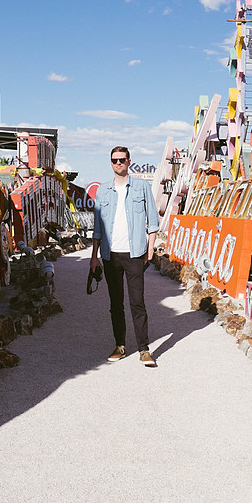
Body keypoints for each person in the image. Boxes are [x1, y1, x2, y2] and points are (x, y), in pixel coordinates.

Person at [91, 146, 160, 367]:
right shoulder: (103, 191)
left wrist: (150, 249)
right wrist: (94, 257)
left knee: (137, 302)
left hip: (135, 254)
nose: (118, 163)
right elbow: (98, 228)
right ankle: (120, 345)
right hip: (110, 255)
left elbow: (153, 222)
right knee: (116, 303)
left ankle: (144, 349)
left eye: (122, 159)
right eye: (114, 160)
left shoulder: (142, 187)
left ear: (129, 161)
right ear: (110, 163)